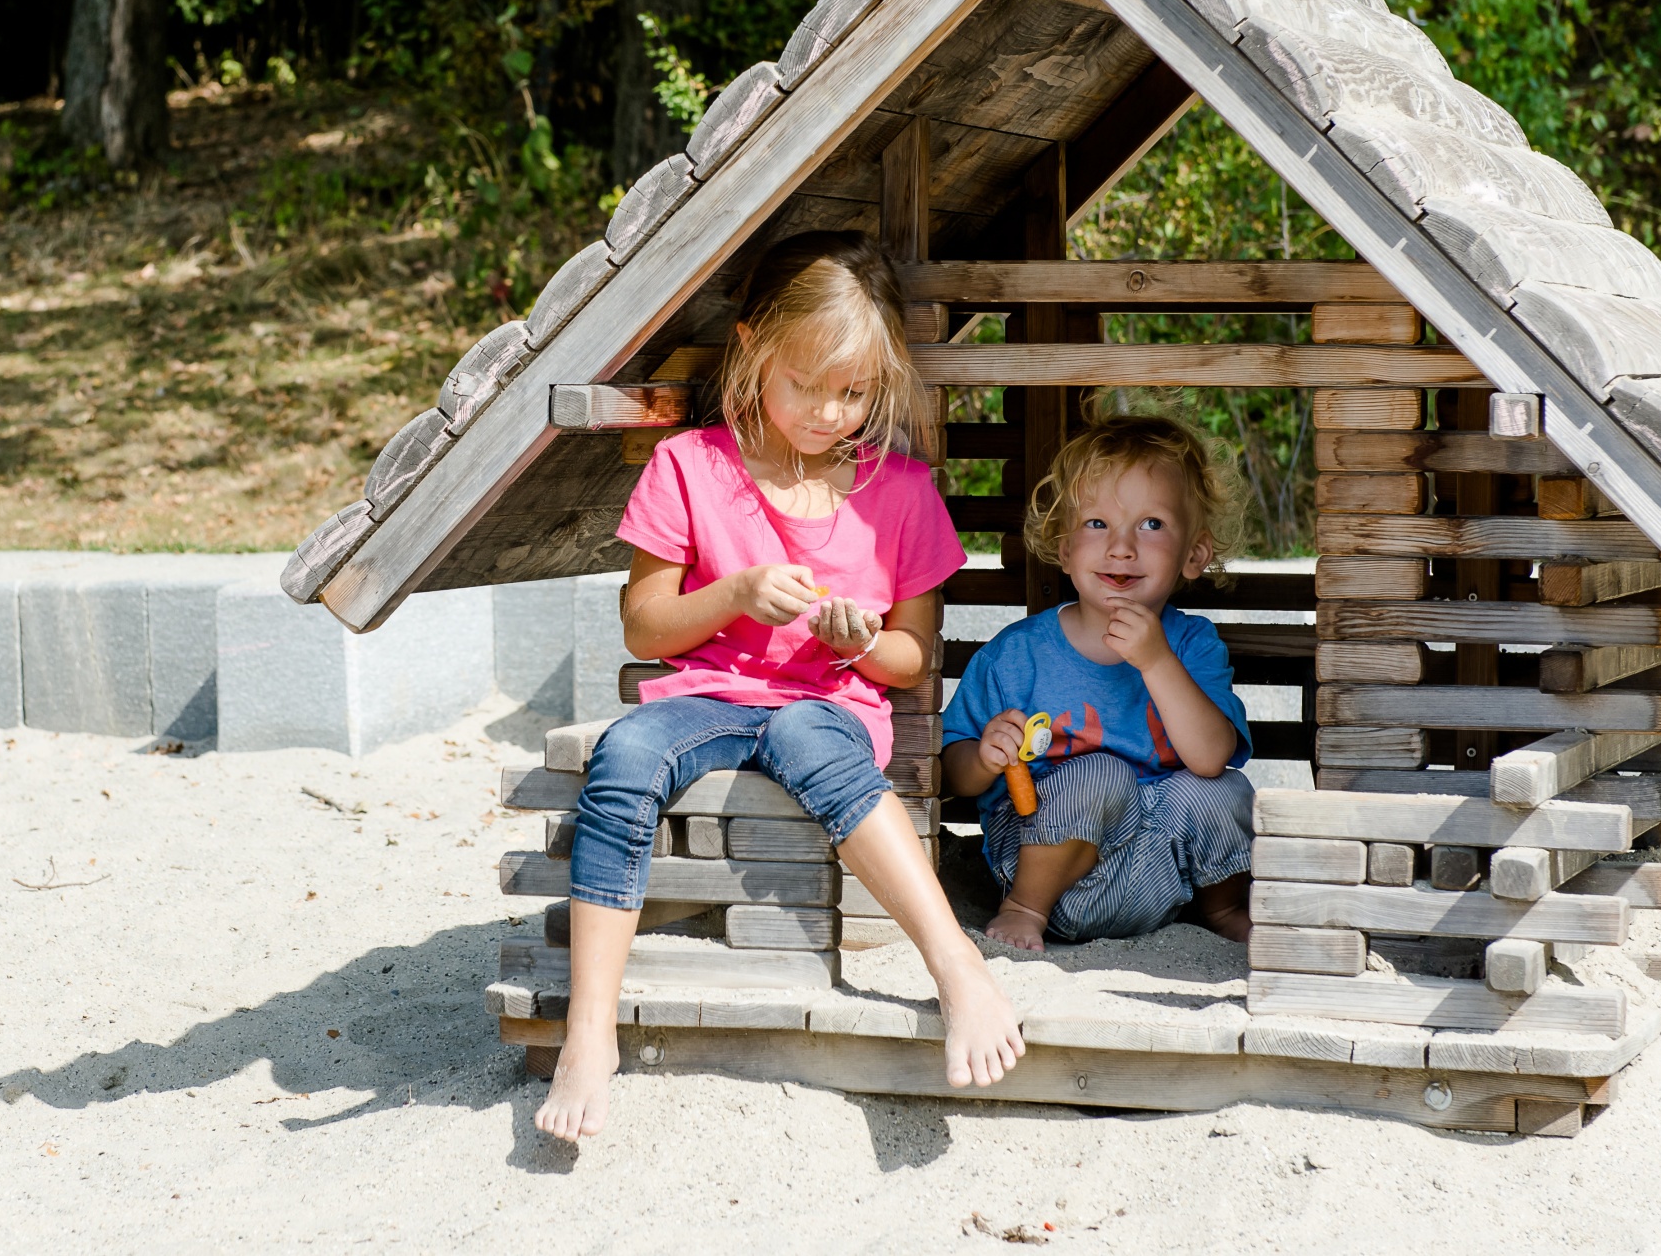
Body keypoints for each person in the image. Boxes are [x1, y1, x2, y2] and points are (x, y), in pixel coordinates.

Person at [535, 231, 1025, 1142]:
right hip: (706, 694)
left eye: (853, 393)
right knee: (624, 757)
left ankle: (958, 969)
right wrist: (737, 592)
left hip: (829, 703)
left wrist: (863, 642)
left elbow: (915, 660)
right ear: (754, 348)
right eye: (806, 385)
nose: (828, 413)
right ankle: (588, 1030)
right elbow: (644, 625)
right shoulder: (692, 466)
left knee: (815, 750)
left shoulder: (901, 492)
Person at [941, 413, 1255, 952]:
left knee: (1222, 789)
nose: (1122, 547)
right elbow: (952, 771)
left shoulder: (1190, 645)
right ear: (1064, 549)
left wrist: (1156, 662)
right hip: (1050, 867)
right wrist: (985, 755)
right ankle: (1023, 910)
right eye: (1097, 524)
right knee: (1098, 772)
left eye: (1152, 525)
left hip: (1160, 872)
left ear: (1195, 554)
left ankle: (1223, 907)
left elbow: (1210, 756)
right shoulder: (1018, 654)